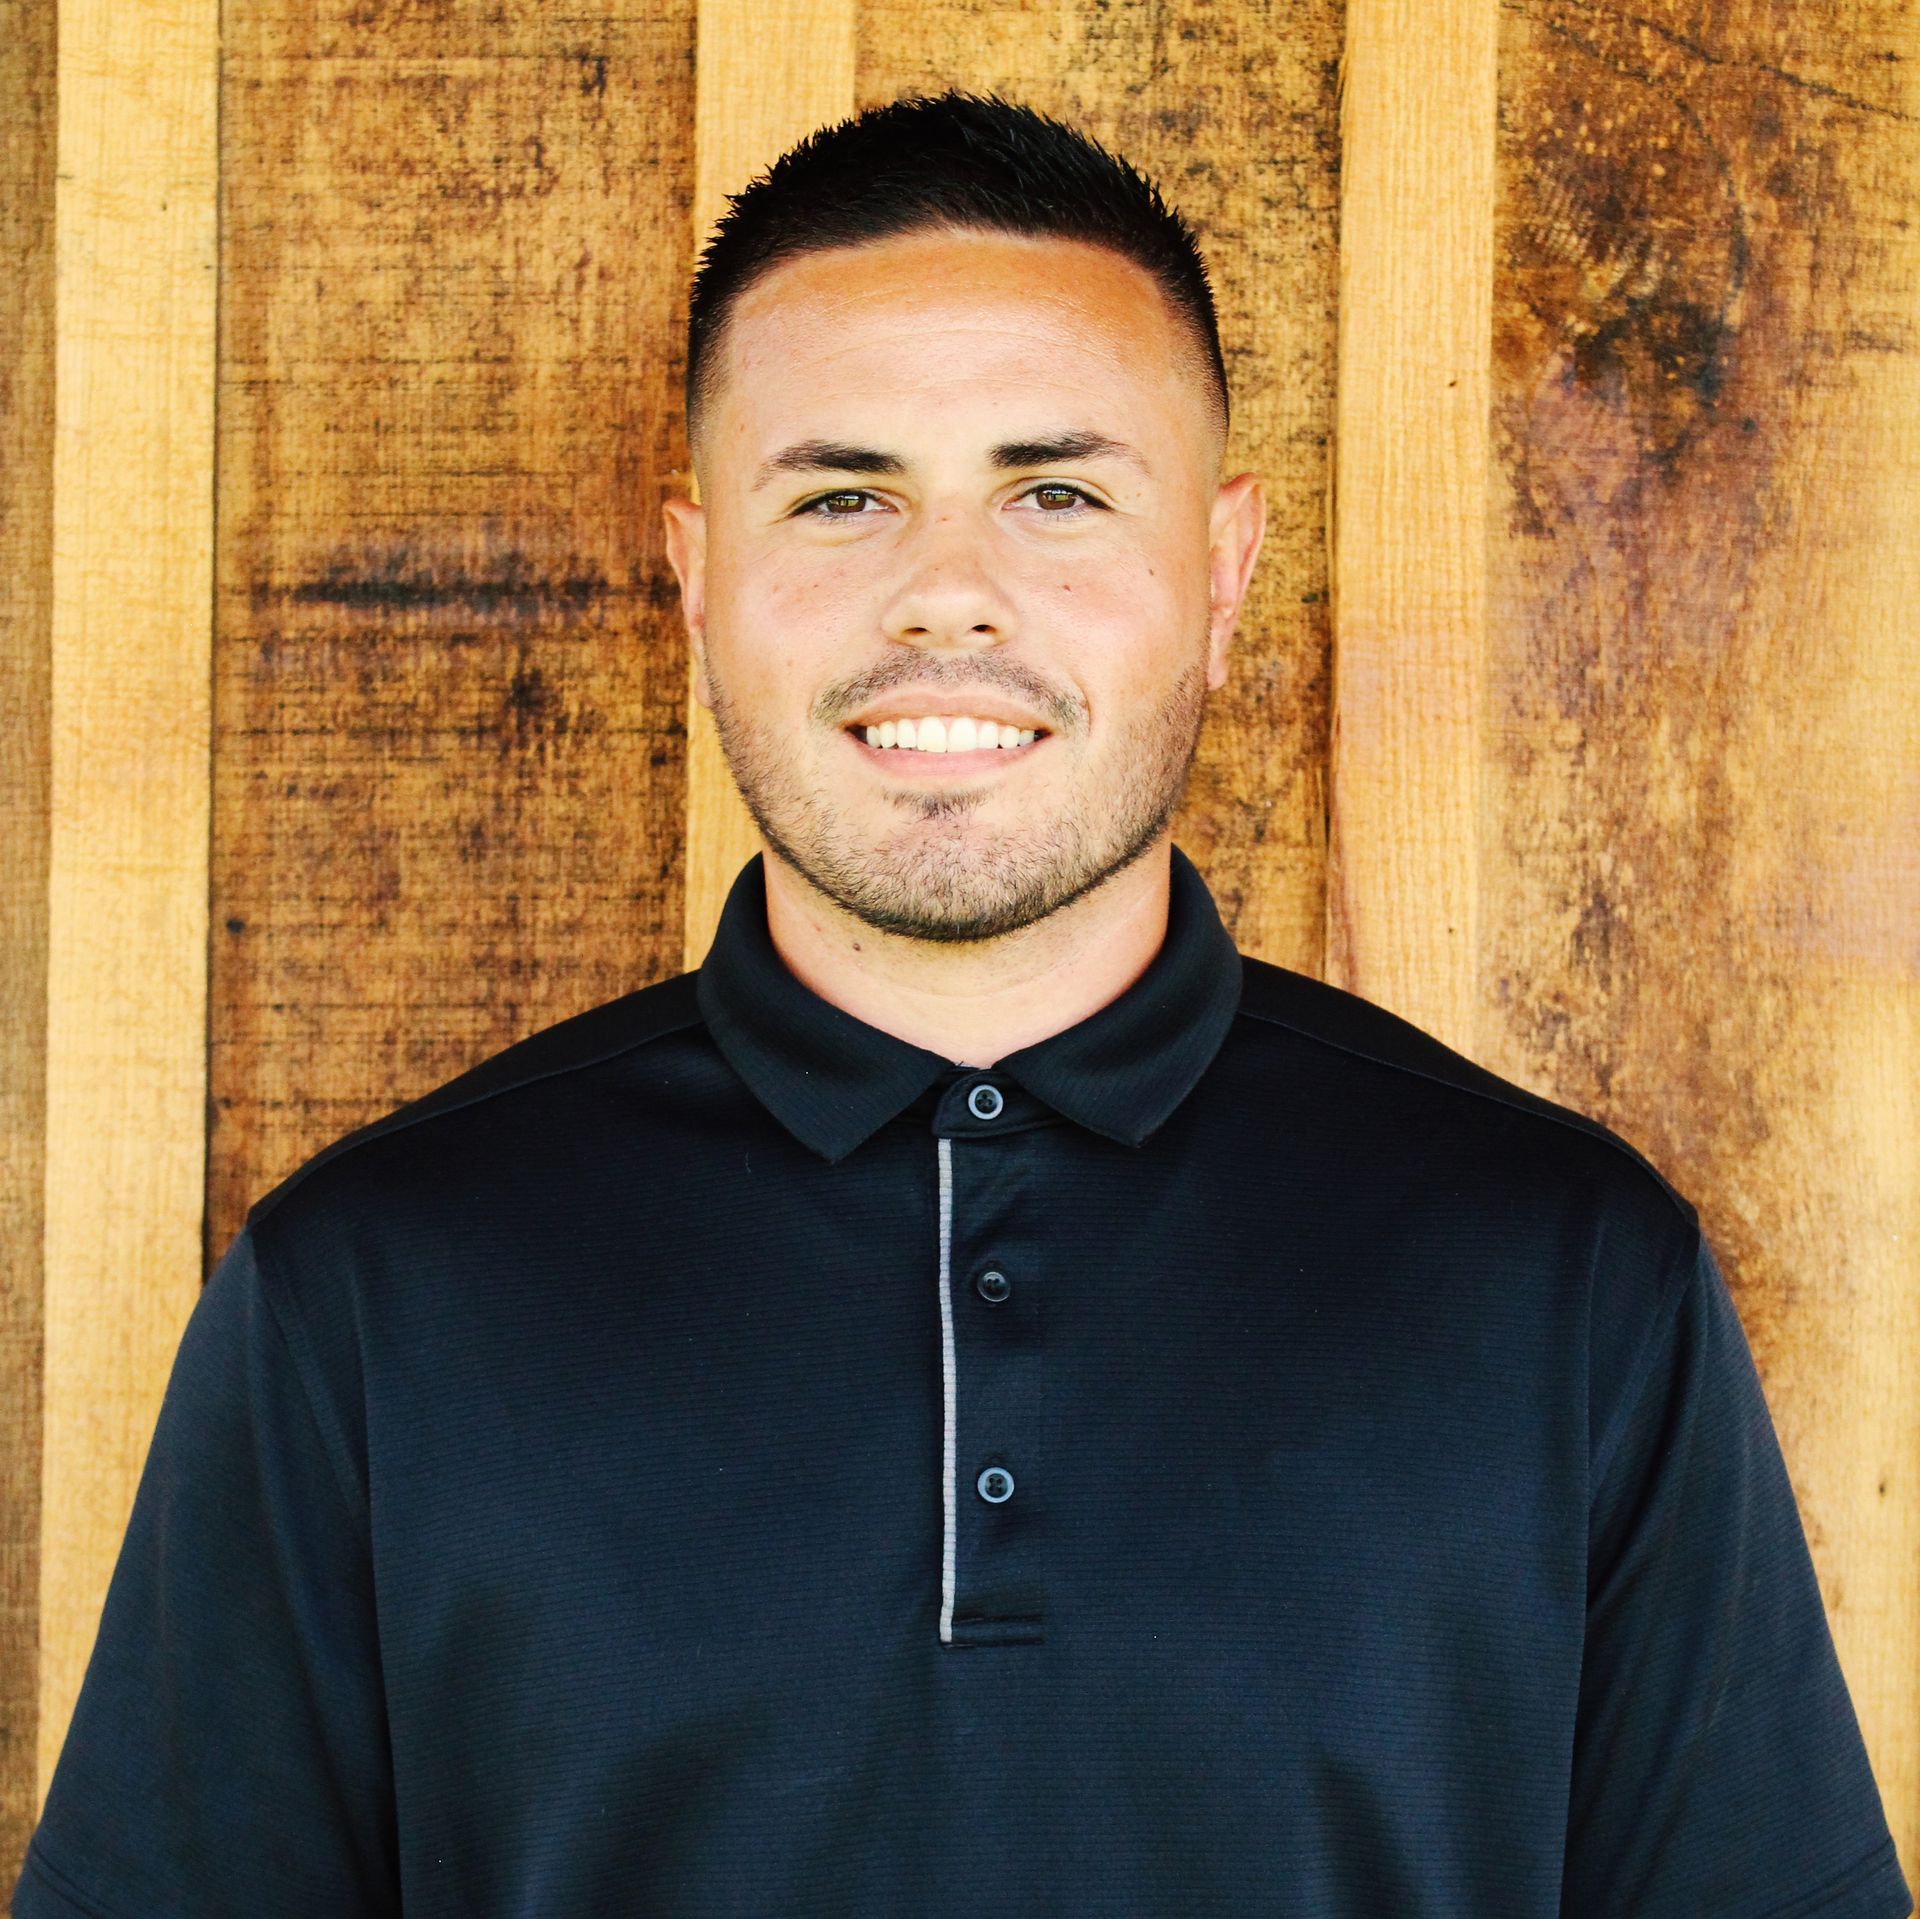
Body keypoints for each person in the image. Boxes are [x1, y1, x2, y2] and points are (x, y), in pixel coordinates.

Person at [11, 89, 1910, 1919]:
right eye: (843, 500)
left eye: (1059, 492)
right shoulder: (364, 1293)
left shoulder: (1568, 1278)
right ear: (695, 577)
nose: (947, 599)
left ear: (1224, 574)